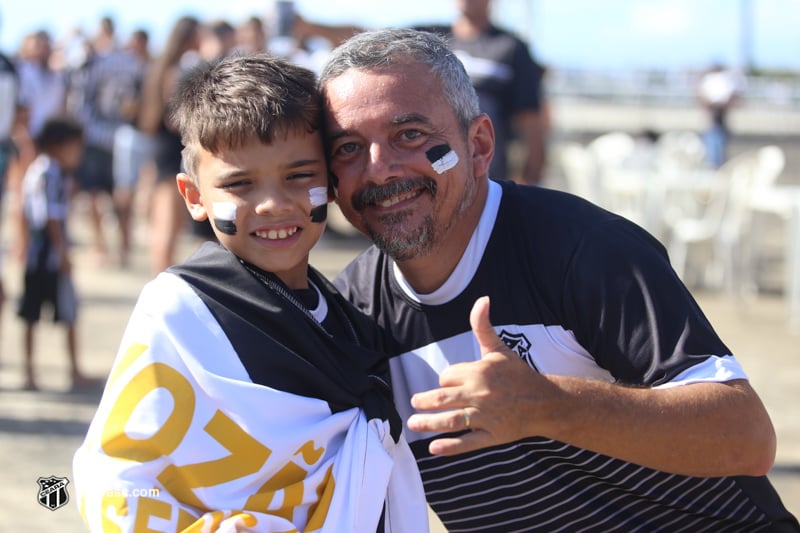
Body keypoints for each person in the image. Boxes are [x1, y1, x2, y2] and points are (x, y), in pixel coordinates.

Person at [319, 29, 800, 531]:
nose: (377, 170)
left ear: (479, 144)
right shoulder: (353, 315)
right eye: (349, 148)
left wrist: (549, 406)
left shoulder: (582, 248)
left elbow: (746, 436)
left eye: (410, 135)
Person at [72, 53, 428, 532]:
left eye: (299, 176)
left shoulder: (349, 317)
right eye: (239, 184)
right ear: (194, 197)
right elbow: (113, 477)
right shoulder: (180, 313)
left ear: (330, 180)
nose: (273, 205)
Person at [295, 0, 547, 185]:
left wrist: (526, 183)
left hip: (487, 174)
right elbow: (366, 40)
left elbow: (532, 125)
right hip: (426, 174)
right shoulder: (428, 37)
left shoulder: (511, 49)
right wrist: (312, 27)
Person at [17, 115, 88, 391]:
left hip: (37, 256)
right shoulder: (51, 173)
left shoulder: (37, 170)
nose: (78, 155)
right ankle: (72, 371)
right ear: (59, 146)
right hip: (48, 257)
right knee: (64, 312)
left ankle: (31, 372)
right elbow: (52, 218)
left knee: (32, 315)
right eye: (75, 148)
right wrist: (63, 253)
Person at [137, 16, 200, 275]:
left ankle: (162, 274)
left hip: (163, 148)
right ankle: (162, 277)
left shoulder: (162, 66)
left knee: (167, 224)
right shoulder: (174, 69)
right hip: (171, 149)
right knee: (167, 224)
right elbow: (175, 119)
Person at [696, 62, 745, 169]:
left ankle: (716, 168)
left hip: (719, 123)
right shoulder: (719, 81)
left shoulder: (716, 81)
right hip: (714, 123)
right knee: (714, 144)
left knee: (717, 145)